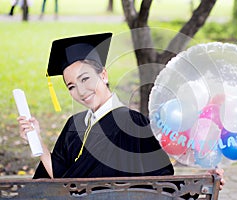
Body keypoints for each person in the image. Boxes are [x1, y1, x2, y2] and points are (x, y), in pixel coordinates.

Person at [17, 33, 224, 189]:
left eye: (85, 79)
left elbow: (162, 184)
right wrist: (37, 141)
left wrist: (205, 181)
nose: (80, 91)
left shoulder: (133, 124)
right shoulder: (74, 124)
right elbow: (62, 182)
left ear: (103, 75)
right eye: (71, 86)